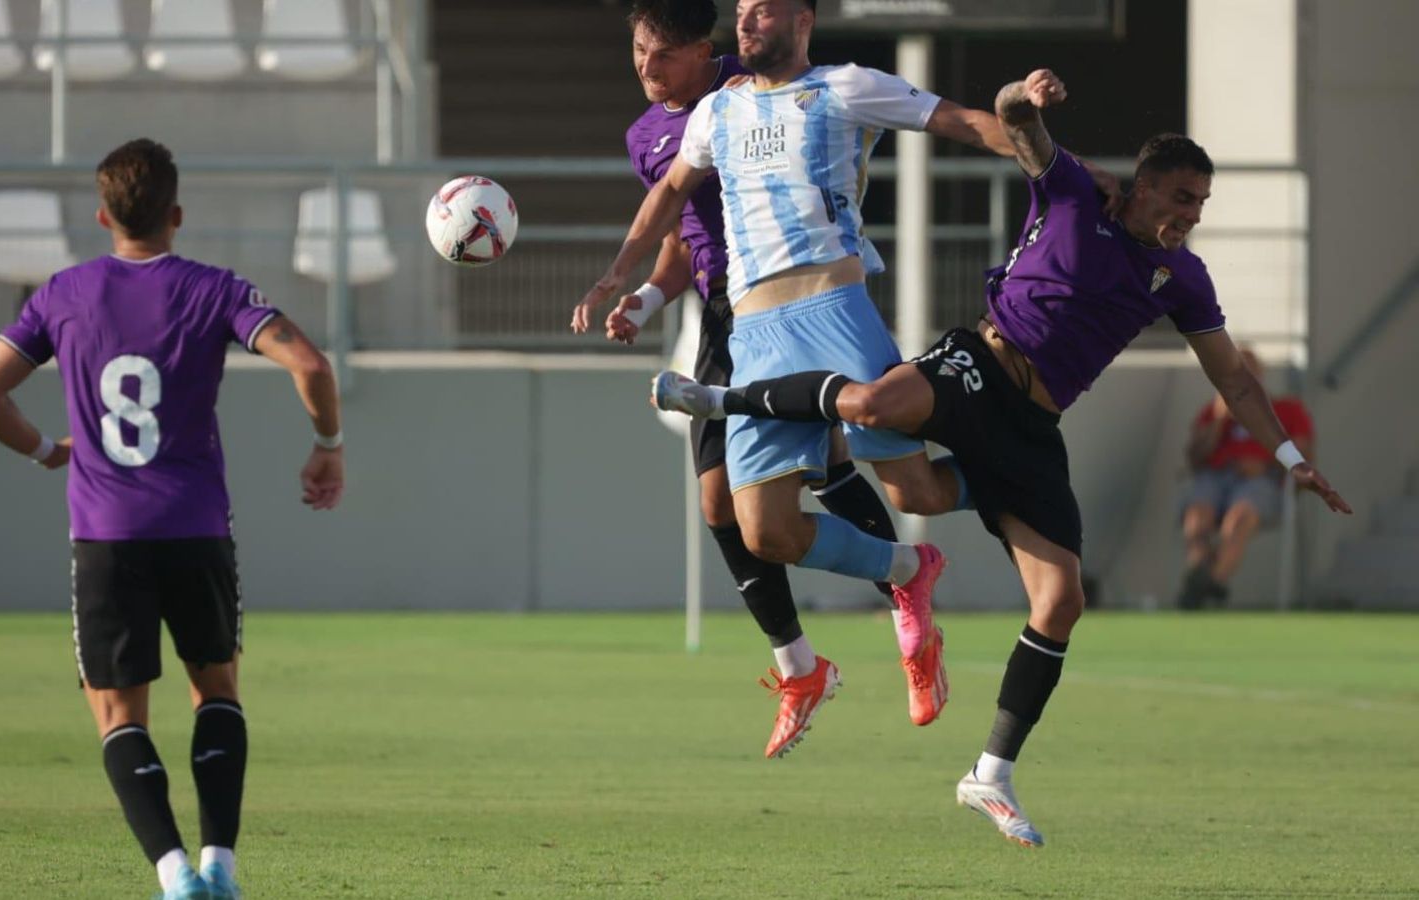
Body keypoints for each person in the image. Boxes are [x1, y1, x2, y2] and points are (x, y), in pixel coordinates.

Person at [650, 70, 1353, 846]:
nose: (1191, 216)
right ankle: (720, 402)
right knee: (885, 428)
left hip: (1031, 425)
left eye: (1201, 205)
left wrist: (1289, 456)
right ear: (1144, 188)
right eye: (1183, 198)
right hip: (976, 364)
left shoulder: (1181, 277)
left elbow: (1232, 377)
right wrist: (1024, 96)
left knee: (1061, 599)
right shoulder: (1077, 194)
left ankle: (990, 774)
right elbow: (1019, 126)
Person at [578, 0, 1066, 746]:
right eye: (741, 9)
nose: (747, 21)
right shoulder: (716, 112)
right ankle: (906, 570)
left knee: (919, 490)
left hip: (835, 312)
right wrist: (621, 276)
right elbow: (672, 193)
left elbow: (964, 122)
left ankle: (1012, 476)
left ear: (802, 19)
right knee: (761, 528)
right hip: (754, 333)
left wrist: (1044, 149)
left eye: (762, 10)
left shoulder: (843, 87)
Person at [0, 139, 344, 899]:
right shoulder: (213, 288)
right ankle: (221, 868)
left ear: (104, 216)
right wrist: (327, 445)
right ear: (175, 214)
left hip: (106, 536)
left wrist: (44, 451)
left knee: (118, 713)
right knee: (218, 692)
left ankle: (174, 876)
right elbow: (312, 365)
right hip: (196, 527)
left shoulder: (60, 294)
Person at [573, 0, 917, 759]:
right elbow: (681, 237)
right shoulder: (648, 137)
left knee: (836, 463)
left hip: (796, 291)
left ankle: (903, 596)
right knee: (725, 500)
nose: (646, 67)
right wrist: (645, 296)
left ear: (704, 51)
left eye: (661, 55)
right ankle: (801, 663)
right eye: (637, 51)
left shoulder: (747, 83)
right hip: (724, 317)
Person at [1178, 348, 1316, 608]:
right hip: (1216, 477)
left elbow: (1305, 457)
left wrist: (1265, 464)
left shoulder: (1287, 409)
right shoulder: (1213, 411)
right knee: (1197, 518)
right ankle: (1199, 574)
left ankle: (1207, 588)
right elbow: (1194, 458)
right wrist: (1219, 421)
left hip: (1261, 482)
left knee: (1238, 519)